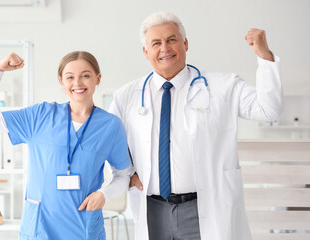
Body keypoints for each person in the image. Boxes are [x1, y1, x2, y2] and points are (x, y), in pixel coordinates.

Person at [109, 11, 282, 240]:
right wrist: (126, 172)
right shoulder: (126, 96)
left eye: (172, 40)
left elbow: (269, 109)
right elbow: (107, 140)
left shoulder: (224, 86)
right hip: (152, 210)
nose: (165, 48)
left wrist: (264, 56)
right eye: (156, 43)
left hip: (203, 209)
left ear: (185, 43)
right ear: (146, 51)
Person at [0, 51, 133, 240]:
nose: (78, 83)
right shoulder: (40, 115)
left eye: (85, 75)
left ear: (97, 79)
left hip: (83, 227)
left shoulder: (111, 126)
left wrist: (104, 194)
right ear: (61, 81)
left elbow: (124, 175)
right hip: (40, 227)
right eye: (70, 77)